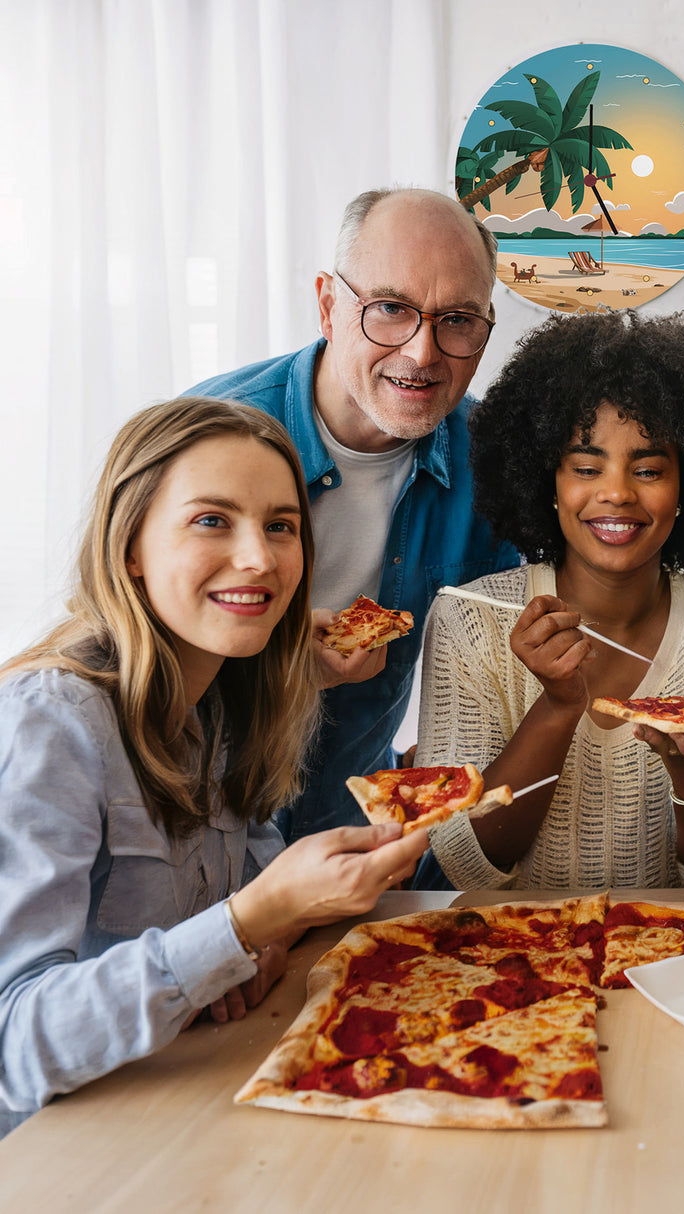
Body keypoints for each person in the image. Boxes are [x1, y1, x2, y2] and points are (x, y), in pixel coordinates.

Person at [0, 398, 428, 1137]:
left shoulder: (224, 694)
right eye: (211, 520)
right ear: (130, 545)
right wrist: (253, 920)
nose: (260, 558)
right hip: (58, 1154)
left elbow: (242, 896)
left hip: (180, 1103)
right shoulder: (50, 720)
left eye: (280, 526)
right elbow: (12, 1045)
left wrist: (253, 944)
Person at [189, 188, 518, 843]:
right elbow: (119, 663)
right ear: (328, 304)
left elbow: (499, 674)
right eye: (391, 309)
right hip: (191, 839)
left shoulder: (498, 467)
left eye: (457, 319)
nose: (423, 353)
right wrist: (280, 664)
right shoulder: (201, 438)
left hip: (354, 844)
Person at [413, 310, 684, 890]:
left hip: (674, 962)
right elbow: (467, 863)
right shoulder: (470, 619)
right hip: (508, 964)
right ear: (547, 482)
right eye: (586, 466)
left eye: (650, 469)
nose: (616, 492)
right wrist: (558, 705)